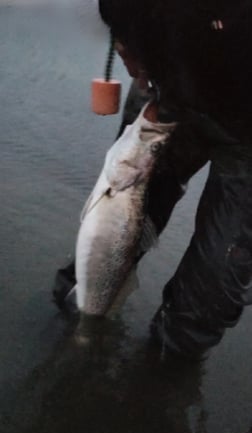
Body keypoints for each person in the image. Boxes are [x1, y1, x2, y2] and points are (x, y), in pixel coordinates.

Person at [54, 0, 252, 361]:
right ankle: (71, 331)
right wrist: (128, 45)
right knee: (106, 241)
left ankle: (158, 385)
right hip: (167, 97)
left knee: (203, 304)